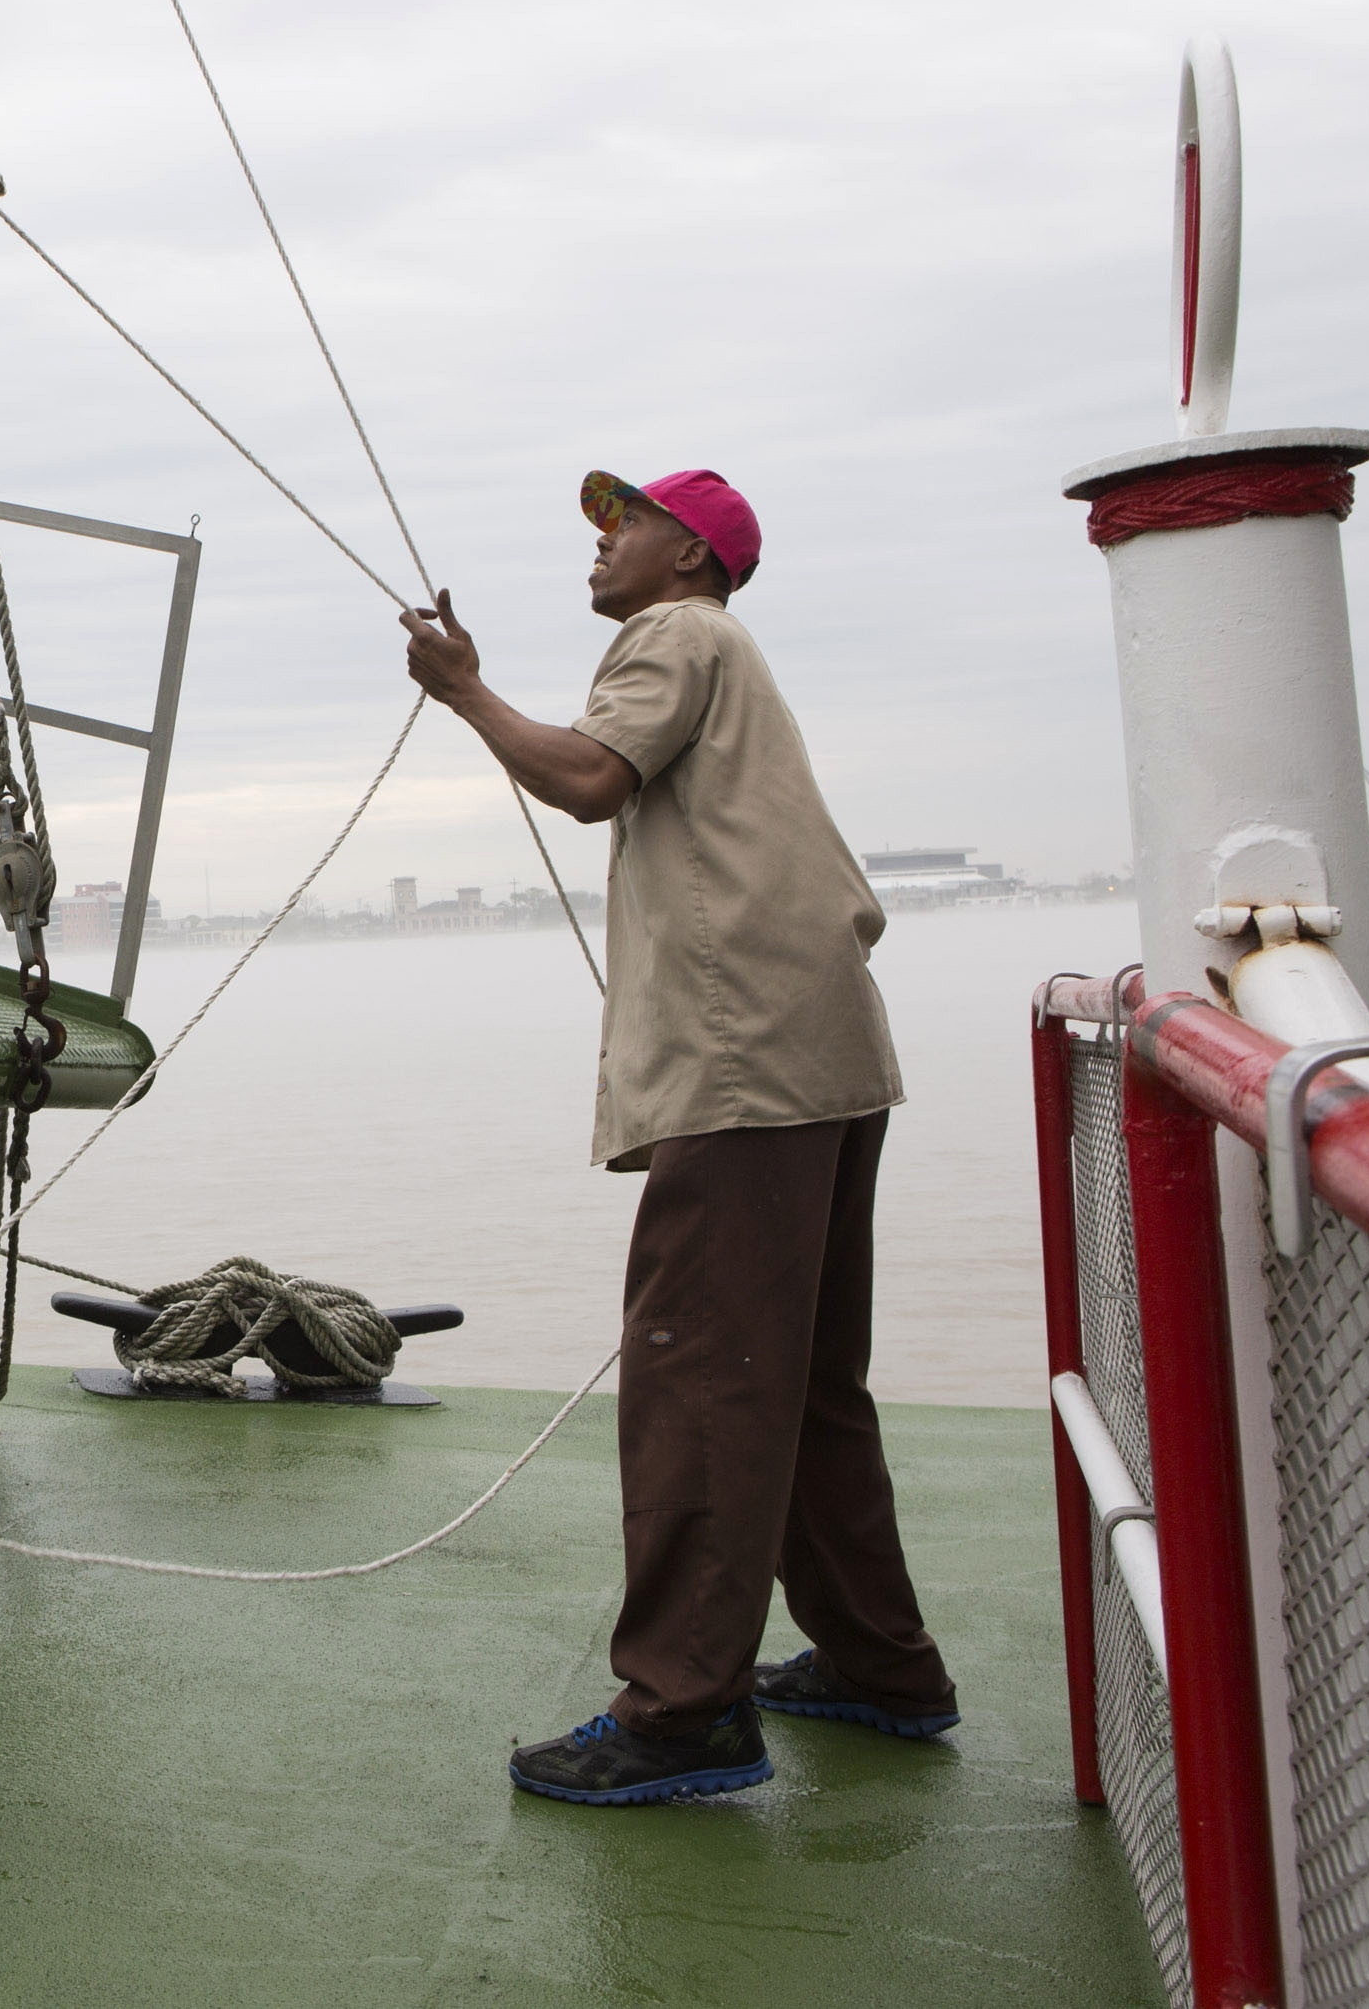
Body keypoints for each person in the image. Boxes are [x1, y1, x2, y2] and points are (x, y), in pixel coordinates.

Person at [399, 468, 957, 1808]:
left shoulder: (672, 635)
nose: (603, 543)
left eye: (627, 523)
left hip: (746, 1063)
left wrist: (464, 690)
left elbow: (591, 775)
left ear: (692, 553)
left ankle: (686, 1708)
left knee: (704, 1380)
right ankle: (883, 1666)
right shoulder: (725, 648)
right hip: (821, 1050)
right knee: (806, 1382)